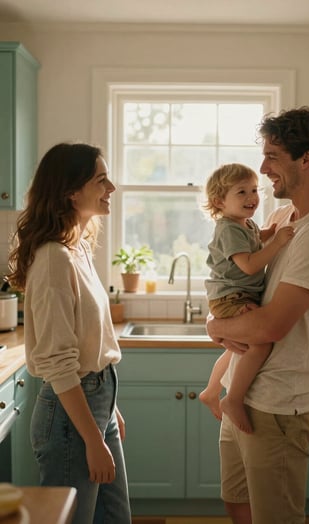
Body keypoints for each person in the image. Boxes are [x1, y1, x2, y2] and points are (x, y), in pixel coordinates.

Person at [206, 107, 309, 524]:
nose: (263, 167)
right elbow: (241, 281)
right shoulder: (281, 218)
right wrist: (216, 324)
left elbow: (271, 325)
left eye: (273, 155)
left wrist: (215, 326)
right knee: (237, 503)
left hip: (279, 406)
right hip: (244, 391)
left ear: (306, 159)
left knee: (277, 517)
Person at [7, 143, 131, 524]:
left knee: (115, 517)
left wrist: (111, 410)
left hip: (95, 402)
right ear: (70, 191)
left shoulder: (76, 248)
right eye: (101, 180)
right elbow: (61, 364)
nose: (111, 187)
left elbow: (88, 344)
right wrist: (93, 438)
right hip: (68, 414)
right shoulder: (53, 258)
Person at [199, 163, 294, 433]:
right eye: (241, 192)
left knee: (236, 347)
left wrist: (265, 234)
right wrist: (276, 243)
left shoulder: (245, 224)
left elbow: (253, 240)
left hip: (235, 295)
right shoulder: (228, 228)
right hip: (231, 297)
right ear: (220, 201)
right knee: (260, 345)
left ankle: (211, 390)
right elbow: (250, 265)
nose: (251, 197)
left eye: (254, 190)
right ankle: (234, 399)